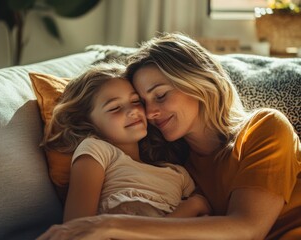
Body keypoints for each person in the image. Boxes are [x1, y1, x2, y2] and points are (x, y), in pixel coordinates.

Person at [37, 33, 301, 240]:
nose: (150, 113)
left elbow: (247, 229)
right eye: (143, 101)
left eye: (161, 95)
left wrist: (106, 225)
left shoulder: (264, 128)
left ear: (199, 83)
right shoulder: (178, 165)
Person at [42, 62, 211, 223]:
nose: (133, 111)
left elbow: (203, 224)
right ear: (86, 121)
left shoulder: (178, 173)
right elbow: (77, 227)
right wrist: (193, 206)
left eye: (137, 101)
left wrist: (196, 206)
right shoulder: (97, 150)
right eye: (115, 107)